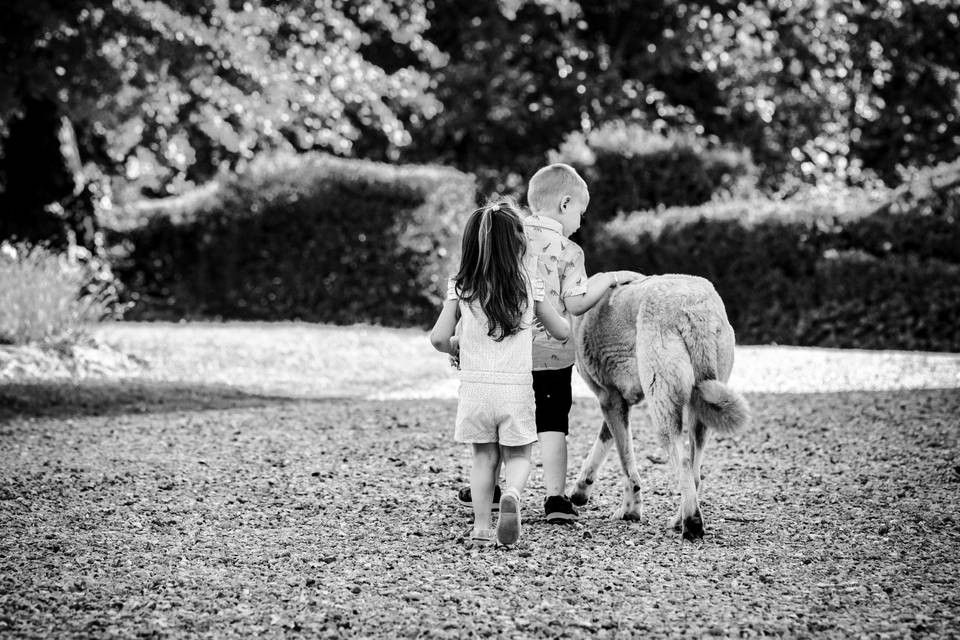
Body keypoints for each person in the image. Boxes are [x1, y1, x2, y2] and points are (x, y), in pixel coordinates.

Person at [457, 163, 642, 523]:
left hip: (507, 353)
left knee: (500, 424)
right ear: (565, 203)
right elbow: (575, 303)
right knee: (553, 424)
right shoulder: (570, 251)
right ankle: (556, 500)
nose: (580, 223)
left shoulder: (508, 236)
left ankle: (491, 491)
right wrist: (609, 279)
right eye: (580, 213)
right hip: (554, 357)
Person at [430, 199, 570, 547]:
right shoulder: (529, 285)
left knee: (483, 458)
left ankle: (480, 527)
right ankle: (511, 494)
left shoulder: (462, 285)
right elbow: (562, 331)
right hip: (516, 390)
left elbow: (437, 337)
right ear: (518, 244)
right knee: (519, 456)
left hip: (476, 391)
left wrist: (455, 348)